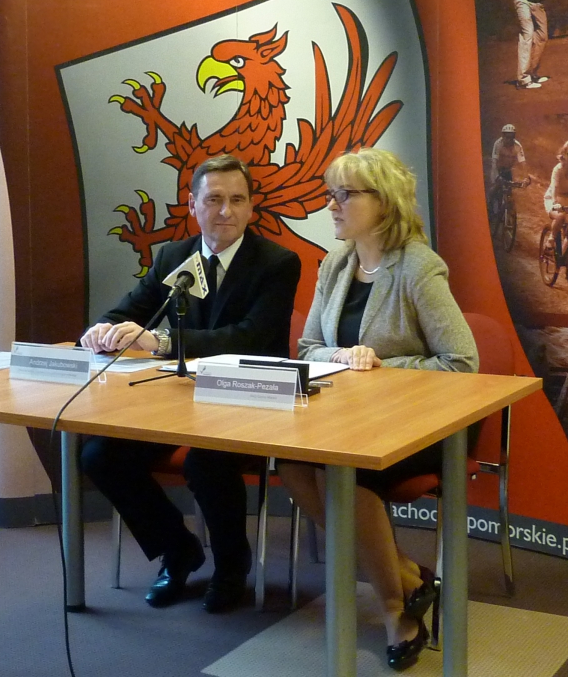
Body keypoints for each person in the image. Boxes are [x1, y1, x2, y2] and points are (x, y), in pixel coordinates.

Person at [277, 148, 478, 672]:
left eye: (343, 195)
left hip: (422, 426)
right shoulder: (336, 264)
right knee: (292, 464)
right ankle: (408, 575)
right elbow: (307, 348)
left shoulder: (418, 267)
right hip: (350, 421)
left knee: (348, 474)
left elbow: (462, 363)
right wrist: (343, 355)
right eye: (331, 194)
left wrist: (384, 364)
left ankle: (395, 610)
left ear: (384, 202)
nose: (331, 206)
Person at [79, 154, 301, 613]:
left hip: (250, 399)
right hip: (180, 403)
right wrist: (103, 329)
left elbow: (249, 336)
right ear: (193, 205)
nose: (226, 211)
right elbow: (130, 309)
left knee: (206, 461)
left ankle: (231, 566)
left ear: (251, 206)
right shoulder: (173, 256)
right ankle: (177, 549)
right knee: (101, 455)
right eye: (214, 199)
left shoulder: (277, 263)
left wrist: (161, 341)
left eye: (237, 200)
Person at [488, 124, 529, 218]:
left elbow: (523, 163)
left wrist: (526, 178)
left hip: (507, 170)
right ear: (503, 136)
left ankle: (508, 213)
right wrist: (496, 176)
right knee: (494, 190)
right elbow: (494, 162)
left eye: (511, 137)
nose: (509, 140)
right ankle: (490, 211)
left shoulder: (517, 146)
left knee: (509, 192)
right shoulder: (498, 144)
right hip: (497, 169)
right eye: (507, 137)